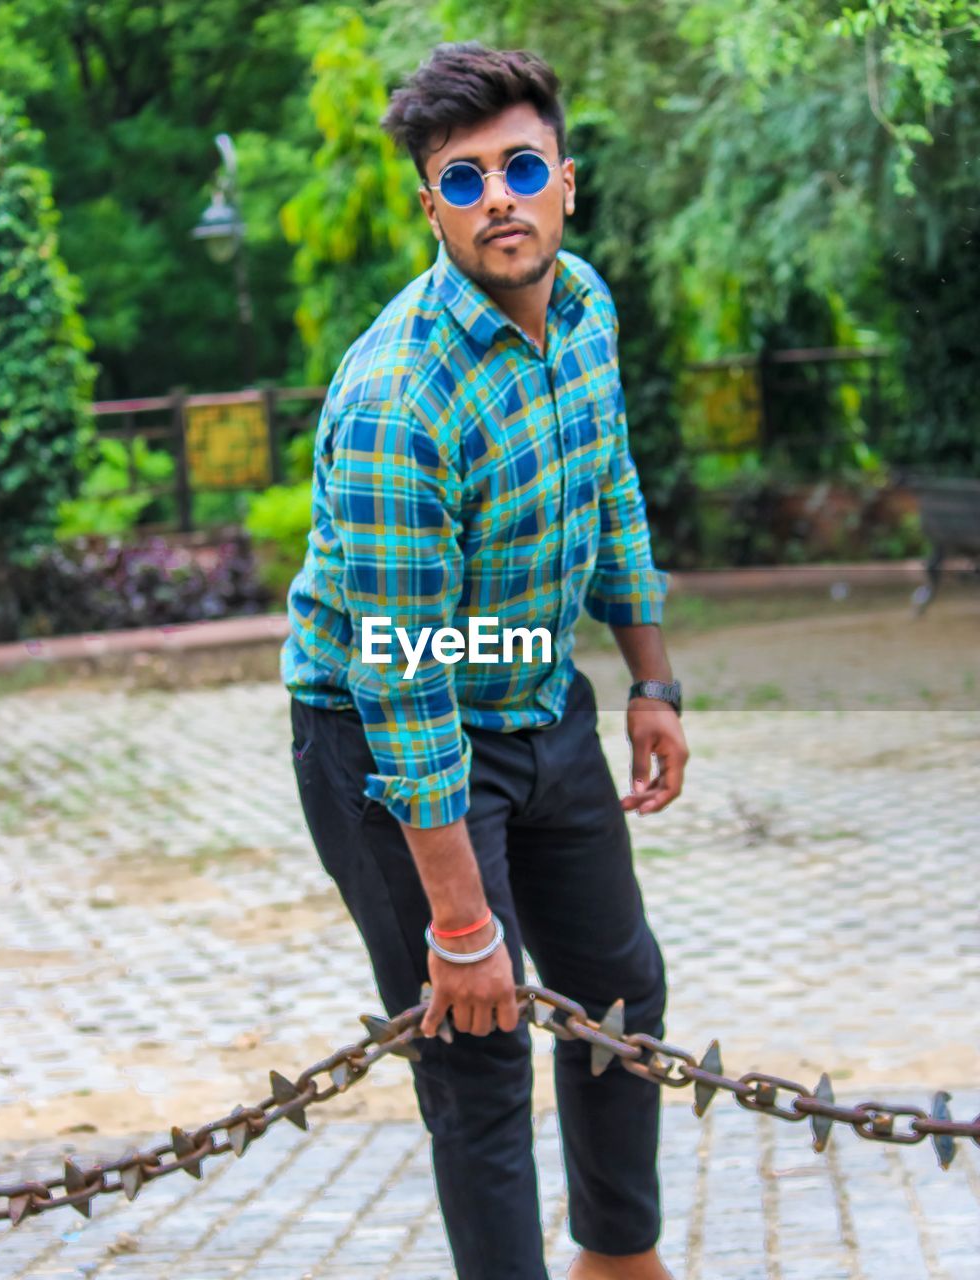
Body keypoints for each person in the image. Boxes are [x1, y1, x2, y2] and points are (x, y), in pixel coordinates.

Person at [282, 41, 689, 1280]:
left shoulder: (584, 303)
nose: (498, 197)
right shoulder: (401, 399)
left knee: (620, 985)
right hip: (383, 733)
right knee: (477, 1043)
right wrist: (460, 923)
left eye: (521, 167)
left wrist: (651, 679)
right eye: (464, 180)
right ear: (432, 207)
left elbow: (609, 485)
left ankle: (617, 1257)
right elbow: (400, 678)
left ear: (567, 179)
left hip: (530, 691)